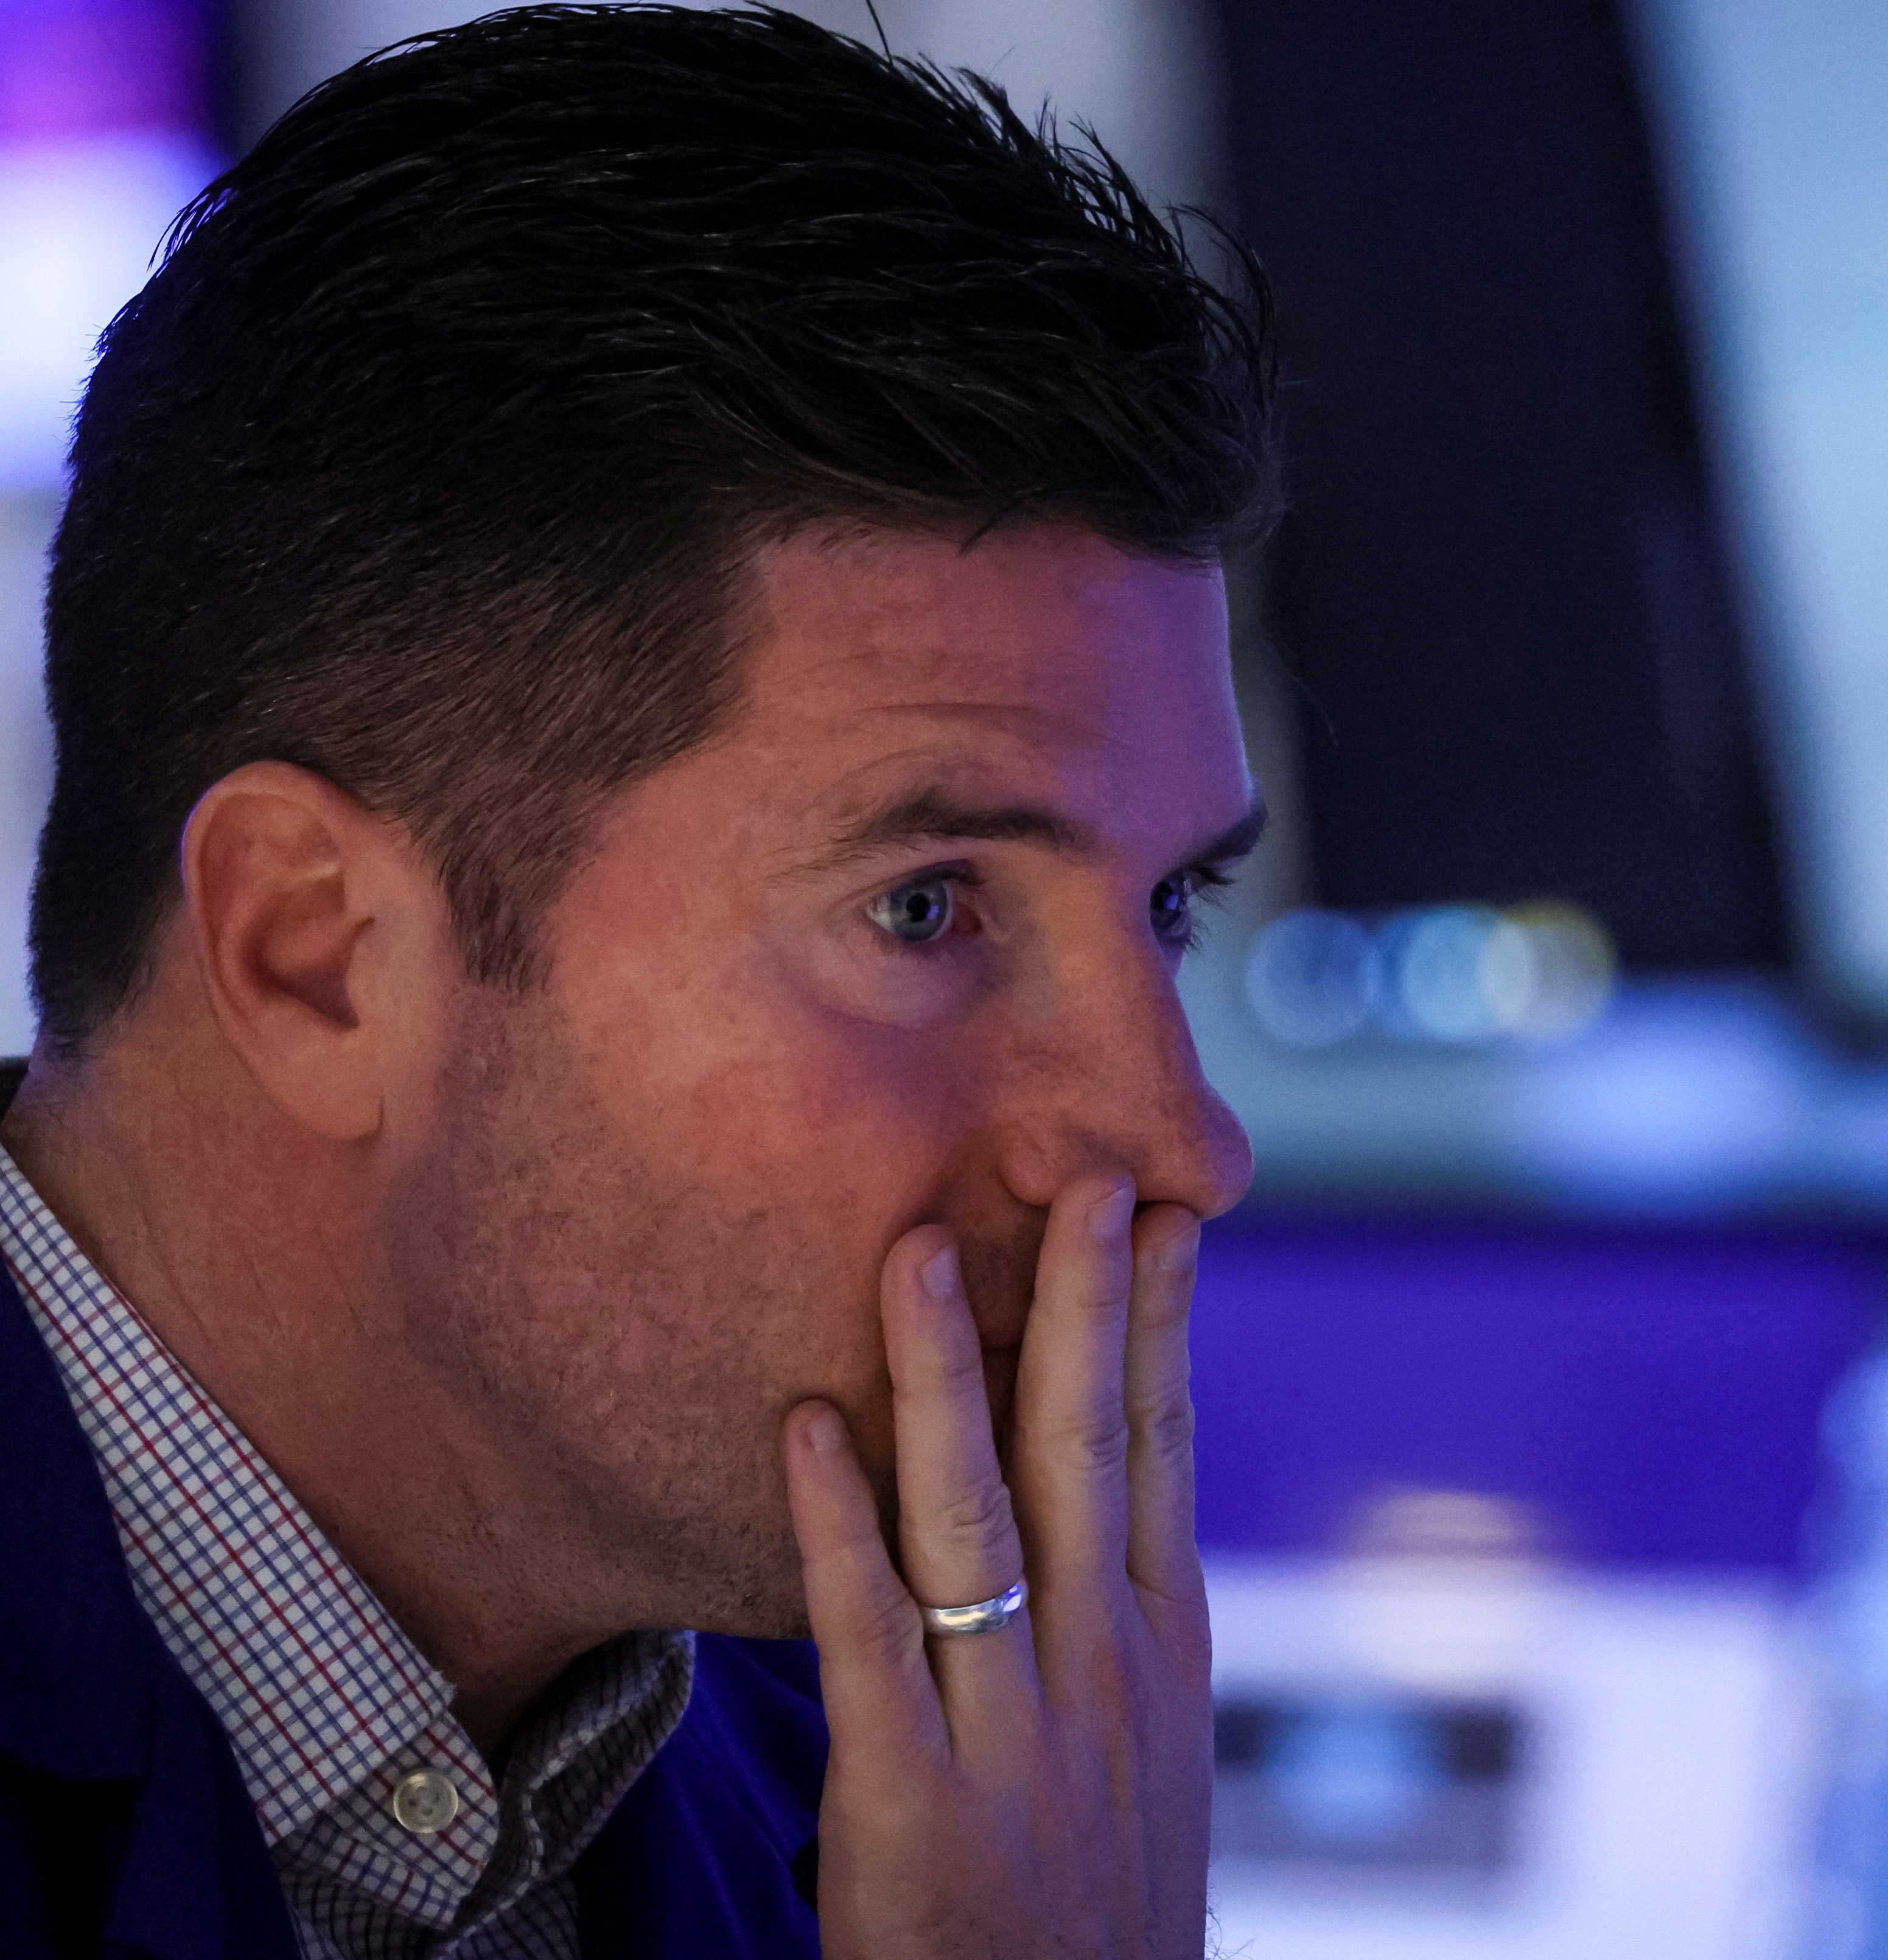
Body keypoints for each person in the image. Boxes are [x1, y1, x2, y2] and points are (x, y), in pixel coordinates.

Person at [0, 5, 1276, 1955]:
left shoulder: (898, 1768)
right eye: (928, 909)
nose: (1183, 1140)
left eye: (1172, 907)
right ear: (316, 954)